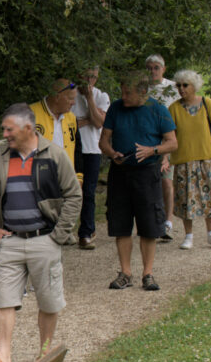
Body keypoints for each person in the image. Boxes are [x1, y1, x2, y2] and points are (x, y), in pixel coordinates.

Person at [0, 104, 81, 362]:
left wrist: (58, 236)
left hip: (44, 239)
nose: (4, 134)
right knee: (5, 299)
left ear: (28, 128)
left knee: (48, 302)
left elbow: (74, 195)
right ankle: (3, 359)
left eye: (8, 129)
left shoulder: (54, 154)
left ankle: (44, 353)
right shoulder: (1, 155)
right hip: (10, 240)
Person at [99, 71, 177, 291]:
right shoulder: (115, 108)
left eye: (128, 93)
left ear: (143, 92)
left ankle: (148, 274)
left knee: (149, 225)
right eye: (122, 91)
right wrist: (112, 153)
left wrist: (153, 150)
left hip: (147, 173)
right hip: (120, 172)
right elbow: (103, 141)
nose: (123, 96)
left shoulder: (158, 109)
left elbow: (172, 143)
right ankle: (125, 273)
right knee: (120, 224)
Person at [167, 70, 211, 250]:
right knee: (186, 199)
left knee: (210, 197)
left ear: (194, 86)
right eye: (179, 85)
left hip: (206, 159)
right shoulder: (174, 108)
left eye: (185, 85)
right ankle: (188, 236)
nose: (181, 89)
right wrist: (165, 157)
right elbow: (169, 135)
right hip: (183, 161)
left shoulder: (207, 103)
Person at [70, 67, 110, 250]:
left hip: (92, 149)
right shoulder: (69, 92)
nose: (89, 80)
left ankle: (86, 232)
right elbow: (68, 122)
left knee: (88, 192)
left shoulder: (101, 96)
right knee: (68, 191)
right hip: (70, 149)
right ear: (78, 75)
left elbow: (99, 122)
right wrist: (88, 118)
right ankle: (65, 230)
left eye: (93, 77)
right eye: (86, 76)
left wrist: (89, 98)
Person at [146, 54, 181, 241]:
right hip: (147, 139)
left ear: (163, 69)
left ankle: (168, 221)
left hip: (167, 139)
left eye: (156, 67)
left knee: (166, 180)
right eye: (150, 68)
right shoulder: (143, 89)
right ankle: (152, 221)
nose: (153, 71)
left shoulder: (173, 88)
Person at [29, 79, 79, 169]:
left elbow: (77, 151)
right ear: (57, 97)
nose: (74, 103)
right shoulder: (30, 113)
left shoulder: (72, 118)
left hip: (65, 178)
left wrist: (78, 177)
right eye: (71, 98)